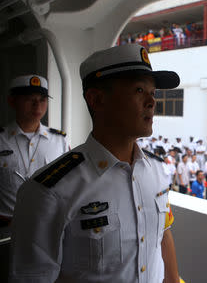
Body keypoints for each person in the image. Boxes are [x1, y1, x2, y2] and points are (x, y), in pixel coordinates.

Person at [10, 44, 180, 282]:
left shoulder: (158, 172)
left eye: (153, 92)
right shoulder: (48, 191)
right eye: (139, 90)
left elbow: (162, 236)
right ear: (97, 99)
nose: (152, 102)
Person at [0, 75, 69, 223]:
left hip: (48, 223)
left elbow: (69, 183)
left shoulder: (59, 140)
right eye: (30, 99)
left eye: (42, 100)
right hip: (7, 225)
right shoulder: (1, 140)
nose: (37, 106)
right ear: (12, 101)